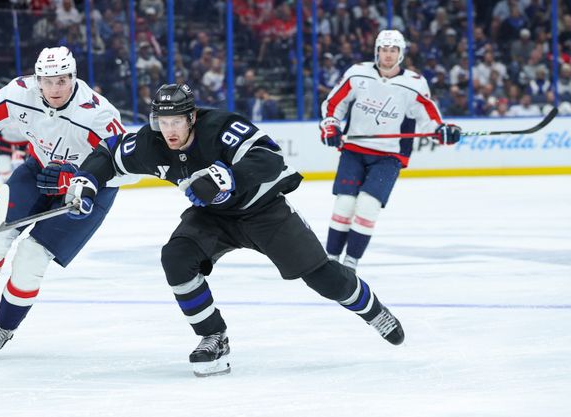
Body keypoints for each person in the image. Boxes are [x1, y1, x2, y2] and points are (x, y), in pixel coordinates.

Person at [72, 83, 405, 377]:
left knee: (323, 277)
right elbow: (110, 154)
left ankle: (374, 312)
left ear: (191, 118)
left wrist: (228, 175)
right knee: (176, 257)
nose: (169, 130)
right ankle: (213, 336)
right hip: (213, 217)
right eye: (162, 121)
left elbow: (270, 157)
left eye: (176, 121)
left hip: (263, 210)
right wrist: (87, 180)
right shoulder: (152, 142)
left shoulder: (220, 126)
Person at [0, 46, 125, 356]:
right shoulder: (19, 92)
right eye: (48, 81)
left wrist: (79, 179)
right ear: (36, 79)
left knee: (31, 257)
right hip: (37, 171)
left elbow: (127, 167)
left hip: (85, 190)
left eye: (62, 80)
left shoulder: (97, 114)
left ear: (74, 77)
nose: (55, 89)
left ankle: (5, 326)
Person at [319, 30, 461, 270]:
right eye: (384, 49)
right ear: (377, 51)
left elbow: (430, 118)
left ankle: (350, 263)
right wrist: (331, 125)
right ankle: (330, 261)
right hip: (354, 148)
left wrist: (442, 130)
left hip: (388, 156)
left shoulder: (413, 84)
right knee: (344, 203)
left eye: (393, 50)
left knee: (367, 206)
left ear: (401, 53)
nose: (388, 55)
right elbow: (334, 103)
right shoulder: (358, 73)